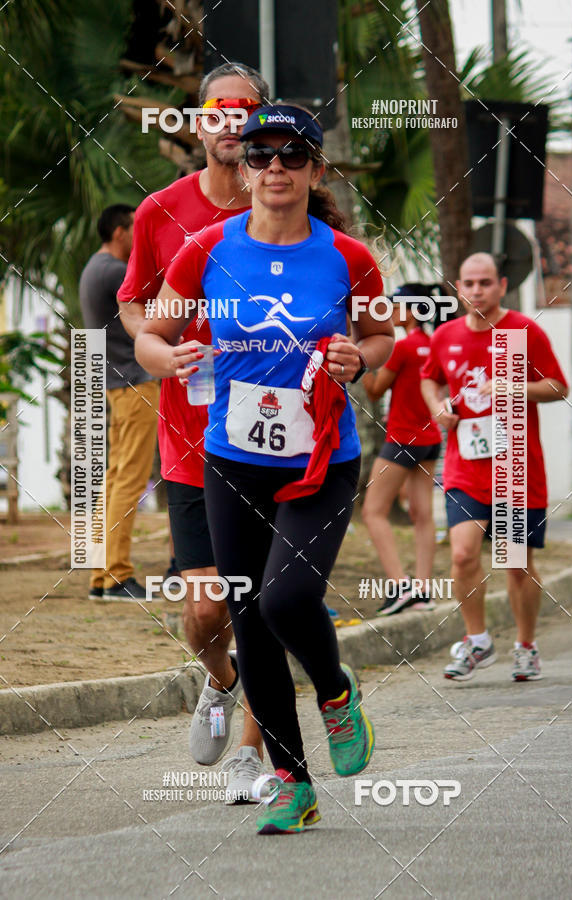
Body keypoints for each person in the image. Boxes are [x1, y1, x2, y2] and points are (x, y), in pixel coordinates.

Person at [135, 103, 394, 834]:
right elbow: (153, 333)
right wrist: (171, 356)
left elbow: (380, 339)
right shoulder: (205, 249)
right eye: (261, 155)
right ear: (243, 169)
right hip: (233, 462)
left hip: (321, 460)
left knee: (284, 602)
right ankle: (293, 782)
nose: (274, 167)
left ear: (315, 170)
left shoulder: (349, 256)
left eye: (291, 154)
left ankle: (337, 693)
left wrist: (358, 358)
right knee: (249, 619)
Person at [118, 63, 267, 798]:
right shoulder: (159, 212)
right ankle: (220, 678)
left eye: (245, 110)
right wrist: (159, 345)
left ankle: (251, 753)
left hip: (275, 433)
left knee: (262, 601)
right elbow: (133, 305)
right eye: (217, 110)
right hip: (190, 435)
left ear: (263, 119)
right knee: (208, 609)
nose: (231, 121)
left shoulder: (285, 204)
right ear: (198, 121)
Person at [421, 253, 568, 682]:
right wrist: (438, 407)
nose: (476, 291)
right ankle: (478, 642)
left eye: (485, 282)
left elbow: (558, 386)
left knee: (515, 561)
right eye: (468, 283)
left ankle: (526, 646)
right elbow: (430, 378)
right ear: (459, 287)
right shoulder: (445, 335)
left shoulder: (524, 330)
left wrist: (510, 385)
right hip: (465, 464)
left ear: (502, 285)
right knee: (464, 553)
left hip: (515, 467)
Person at [79, 204, 160, 601]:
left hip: (116, 384)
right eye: (135, 228)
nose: (139, 235)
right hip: (135, 385)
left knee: (114, 481)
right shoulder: (114, 272)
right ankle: (117, 575)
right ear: (118, 232)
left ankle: (101, 575)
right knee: (130, 480)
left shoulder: (93, 268)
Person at [361, 289, 442, 615]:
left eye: (392, 307)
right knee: (423, 515)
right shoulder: (433, 342)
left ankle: (399, 585)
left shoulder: (403, 346)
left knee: (372, 511)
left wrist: (363, 360)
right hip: (431, 437)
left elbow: (375, 389)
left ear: (409, 311)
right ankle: (423, 590)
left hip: (404, 438)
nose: (387, 312)